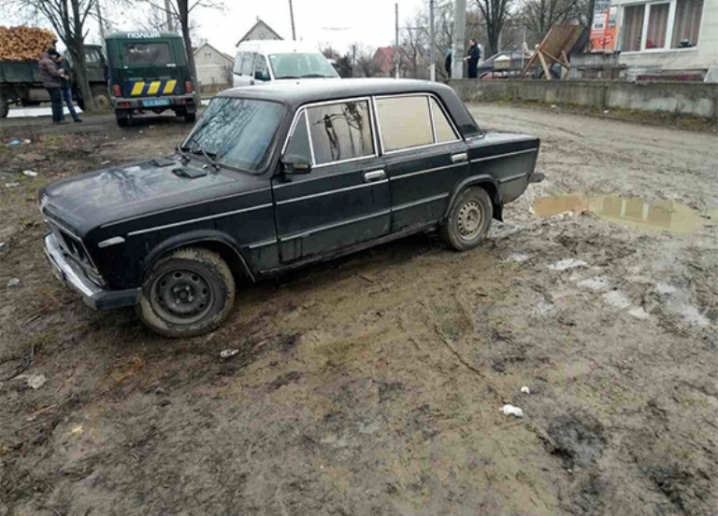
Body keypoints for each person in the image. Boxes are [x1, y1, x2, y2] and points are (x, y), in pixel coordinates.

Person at [39, 48, 66, 124]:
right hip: (53, 84)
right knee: (57, 102)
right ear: (52, 55)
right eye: (55, 55)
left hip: (48, 84)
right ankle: (57, 119)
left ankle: (56, 119)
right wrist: (60, 72)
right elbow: (53, 73)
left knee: (55, 102)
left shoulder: (43, 60)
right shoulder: (48, 62)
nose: (55, 57)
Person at [54, 53, 82, 123]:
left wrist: (62, 74)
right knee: (67, 103)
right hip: (64, 85)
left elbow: (64, 71)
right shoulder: (61, 63)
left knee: (66, 103)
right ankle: (73, 117)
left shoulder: (62, 62)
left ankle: (71, 117)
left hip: (64, 85)